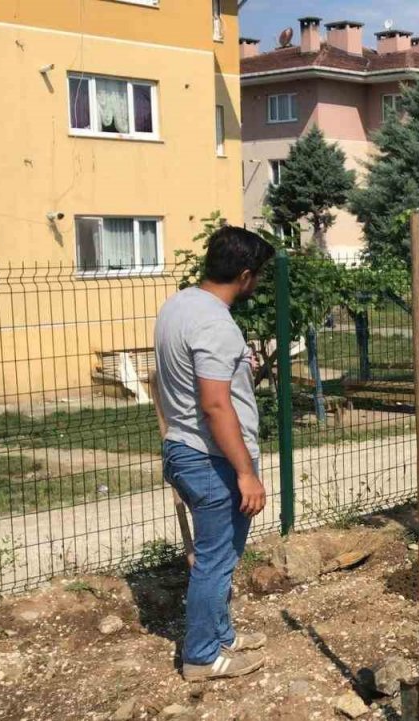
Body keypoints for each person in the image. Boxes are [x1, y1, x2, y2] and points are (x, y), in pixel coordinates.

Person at [153, 225, 275, 681]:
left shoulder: (179, 305)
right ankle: (202, 657)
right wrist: (245, 473)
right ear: (244, 275)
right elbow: (215, 405)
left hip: (183, 446)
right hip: (213, 460)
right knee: (215, 562)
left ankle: (221, 634)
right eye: (258, 275)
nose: (258, 282)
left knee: (217, 556)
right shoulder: (216, 325)